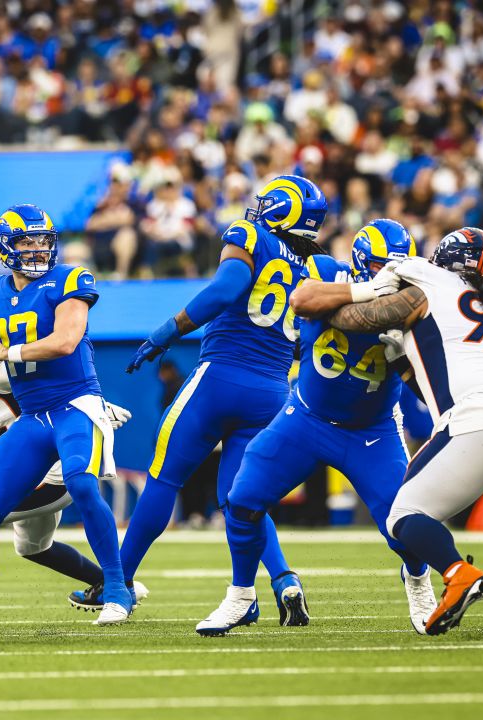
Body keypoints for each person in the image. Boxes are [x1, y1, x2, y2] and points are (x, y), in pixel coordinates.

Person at [292, 227, 483, 637]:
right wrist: (402, 358)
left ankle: (458, 573)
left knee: (403, 517)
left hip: (476, 422)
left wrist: (327, 310)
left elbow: (351, 316)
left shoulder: (423, 280)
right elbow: (434, 375)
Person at [112, 175, 328, 631]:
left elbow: (225, 289)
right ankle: (284, 580)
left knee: (163, 478)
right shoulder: (315, 269)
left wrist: (167, 331)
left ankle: (118, 581)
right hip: (273, 389)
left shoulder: (249, 234)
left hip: (221, 376)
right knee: (241, 500)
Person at [203, 220, 437, 637]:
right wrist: (370, 294)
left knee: (402, 522)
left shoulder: (416, 302)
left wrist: (407, 357)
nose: (393, 274)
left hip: (372, 430)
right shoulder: (330, 272)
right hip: (306, 418)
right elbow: (303, 298)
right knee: (242, 500)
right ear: (365, 262)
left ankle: (417, 580)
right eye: (385, 266)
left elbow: (426, 383)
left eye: (399, 267)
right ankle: (241, 595)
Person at [0, 295, 142, 618]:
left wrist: (90, 406)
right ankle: (111, 583)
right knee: (32, 546)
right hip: (30, 465)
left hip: (52, 468)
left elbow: (40, 373)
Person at [0, 204, 132, 632]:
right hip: (34, 416)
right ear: (5, 246)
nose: (37, 249)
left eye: (43, 240)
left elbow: (66, 341)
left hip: (76, 403)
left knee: (81, 481)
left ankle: (116, 589)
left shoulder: (71, 278)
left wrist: (7, 352)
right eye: (26, 241)